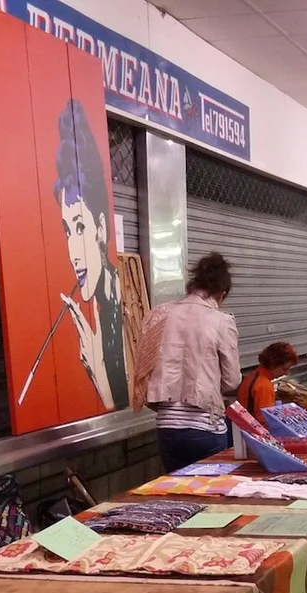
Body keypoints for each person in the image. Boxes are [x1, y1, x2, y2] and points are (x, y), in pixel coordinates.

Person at [133, 252, 242, 474]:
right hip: (205, 426)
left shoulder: (159, 315)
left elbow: (144, 369)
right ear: (222, 293)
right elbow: (232, 381)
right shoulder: (221, 321)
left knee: (178, 489)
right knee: (211, 492)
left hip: (167, 426)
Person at [52, 99, 127, 410]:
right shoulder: (101, 302)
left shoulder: (125, 306)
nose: (74, 253)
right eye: (67, 231)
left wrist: (97, 371)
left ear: (101, 228)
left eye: (80, 226)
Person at [238, 342, 300, 423]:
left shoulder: (253, 375)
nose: (286, 373)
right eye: (284, 369)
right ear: (273, 364)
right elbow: (265, 420)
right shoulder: (264, 386)